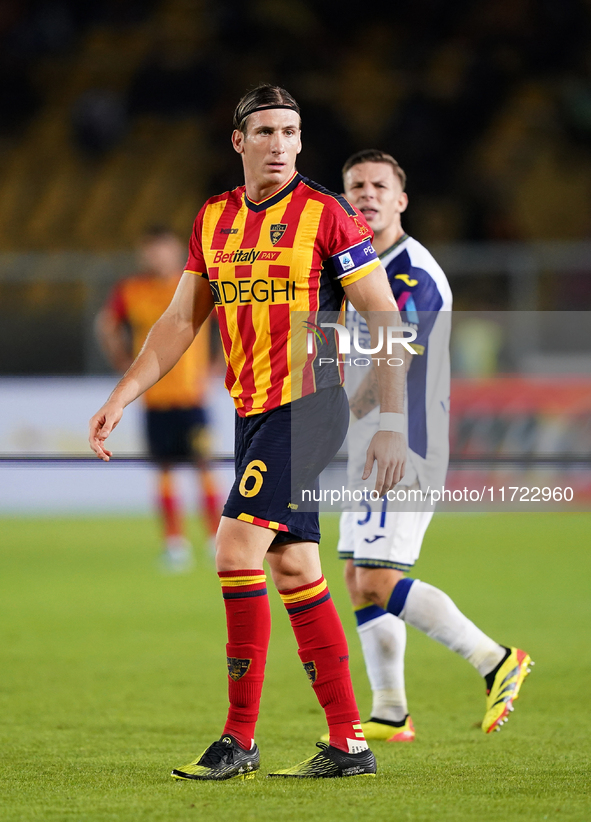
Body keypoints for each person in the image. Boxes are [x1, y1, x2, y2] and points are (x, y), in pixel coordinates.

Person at [89, 85, 408, 780]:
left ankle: (238, 739)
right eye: (263, 131)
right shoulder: (213, 219)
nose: (279, 144)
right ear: (238, 141)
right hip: (250, 410)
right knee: (293, 568)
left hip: (310, 406)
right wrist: (123, 392)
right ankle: (349, 743)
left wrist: (390, 421)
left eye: (290, 131)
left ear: (301, 140)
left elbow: (383, 318)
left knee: (235, 548)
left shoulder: (327, 216)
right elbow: (179, 322)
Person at [326, 149, 532, 744]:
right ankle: (391, 710)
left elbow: (401, 356)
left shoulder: (412, 272)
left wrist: (340, 411)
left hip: (403, 442)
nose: (366, 194)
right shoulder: (359, 267)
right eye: (356, 186)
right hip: (375, 440)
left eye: (379, 186)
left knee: (378, 579)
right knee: (358, 575)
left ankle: (494, 659)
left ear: (401, 199)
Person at [95, 226, 222, 571]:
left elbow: (227, 321)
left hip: (192, 397)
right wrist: (124, 365)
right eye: (151, 250)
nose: (157, 257)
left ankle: (216, 539)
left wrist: (217, 364)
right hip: (154, 399)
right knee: (164, 469)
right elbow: (106, 324)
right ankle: (174, 544)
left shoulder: (193, 284)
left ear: (177, 250)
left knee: (204, 466)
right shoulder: (132, 289)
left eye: (162, 249)